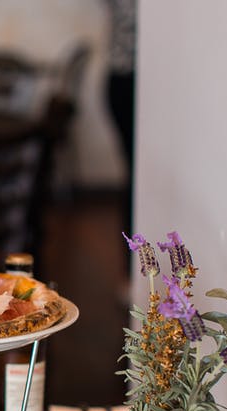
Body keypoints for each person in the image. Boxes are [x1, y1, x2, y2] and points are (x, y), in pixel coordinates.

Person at [104, 0, 136, 237]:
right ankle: (132, 263)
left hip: (129, 77)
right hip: (127, 78)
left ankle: (132, 263)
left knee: (136, 176)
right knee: (136, 176)